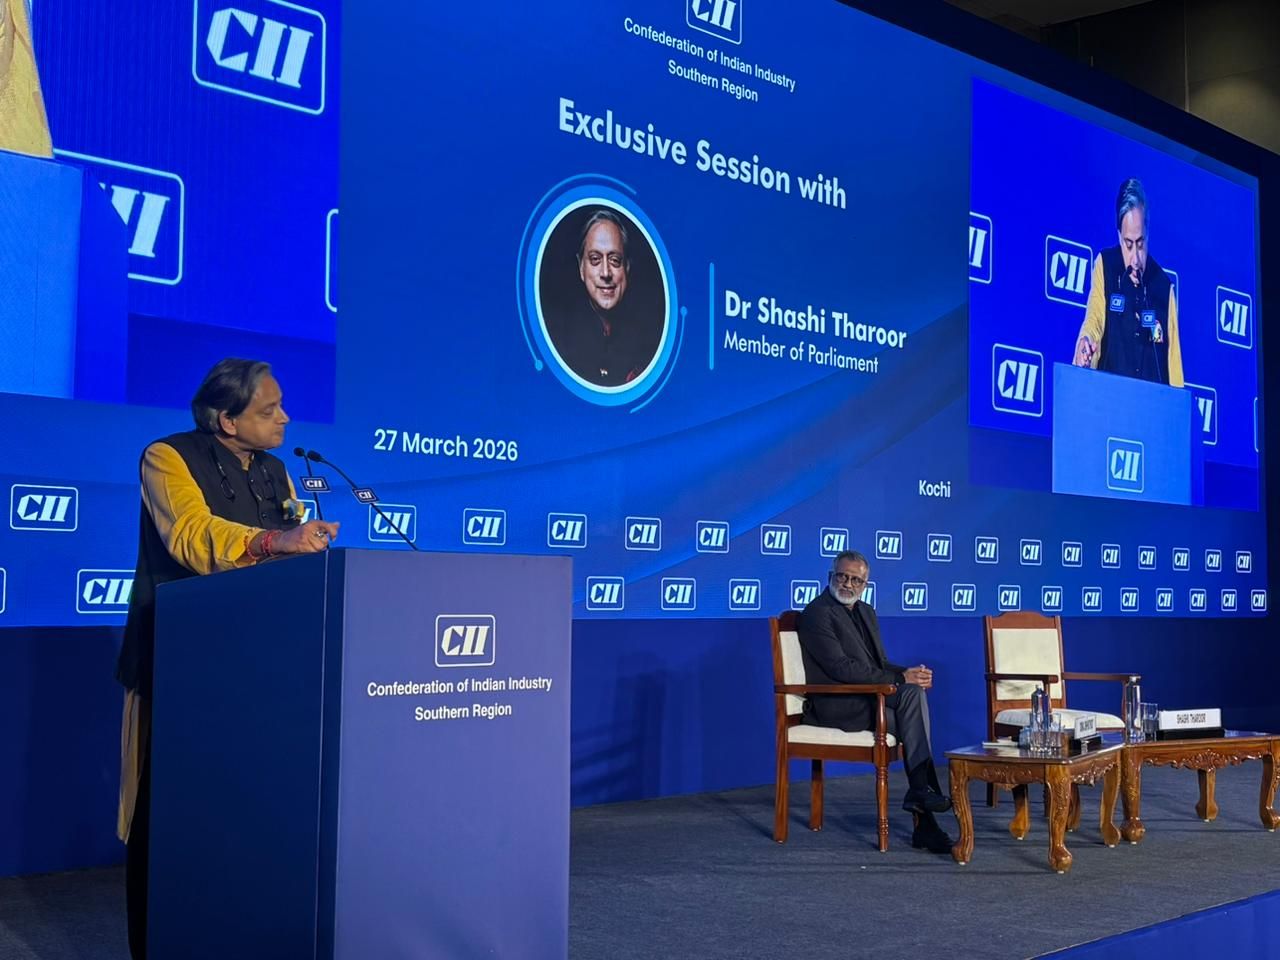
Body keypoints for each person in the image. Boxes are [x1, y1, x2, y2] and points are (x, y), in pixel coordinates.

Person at [115, 358, 340, 959]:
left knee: (250, 815)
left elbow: (289, 556)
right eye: (269, 410)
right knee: (166, 819)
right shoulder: (166, 457)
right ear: (226, 419)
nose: (285, 418)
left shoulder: (276, 470)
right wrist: (271, 542)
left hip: (262, 672)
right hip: (176, 668)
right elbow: (191, 537)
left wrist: (304, 547)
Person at [797, 550, 953, 853]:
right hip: (835, 703)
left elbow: (878, 663)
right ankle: (923, 801)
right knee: (909, 710)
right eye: (842, 576)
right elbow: (840, 668)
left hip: (866, 699)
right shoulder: (817, 613)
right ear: (830, 576)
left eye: (856, 579)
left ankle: (923, 809)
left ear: (865, 584)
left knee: (913, 696)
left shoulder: (866, 611)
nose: (848, 583)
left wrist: (908, 674)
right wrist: (900, 679)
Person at [1073, 178, 1183, 386]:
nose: (1135, 259)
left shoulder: (1163, 287)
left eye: (1140, 244)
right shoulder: (1106, 266)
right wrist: (1085, 343)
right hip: (1109, 398)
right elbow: (1094, 321)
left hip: (1152, 404)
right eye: (1128, 244)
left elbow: (1174, 367)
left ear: (1148, 234)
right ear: (1119, 236)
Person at [548, 208, 659, 387]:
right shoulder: (559, 340)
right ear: (581, 267)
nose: (606, 273)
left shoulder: (650, 340)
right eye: (595, 259)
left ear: (627, 267)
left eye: (615, 260)